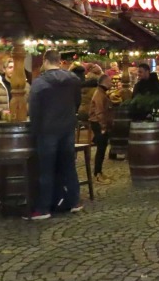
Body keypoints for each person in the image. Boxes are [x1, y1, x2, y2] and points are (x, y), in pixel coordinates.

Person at [28, 50, 83, 220]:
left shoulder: (39, 83)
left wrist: (34, 130)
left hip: (47, 130)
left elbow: (34, 109)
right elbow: (77, 101)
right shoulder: (73, 79)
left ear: (45, 61)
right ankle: (74, 201)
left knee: (46, 169)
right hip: (67, 127)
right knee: (68, 166)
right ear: (59, 61)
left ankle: (44, 208)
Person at [88, 74, 114, 184]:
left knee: (102, 149)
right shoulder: (99, 94)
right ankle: (97, 174)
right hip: (98, 123)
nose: (111, 83)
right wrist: (103, 127)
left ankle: (99, 172)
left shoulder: (102, 92)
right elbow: (99, 112)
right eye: (109, 81)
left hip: (100, 123)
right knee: (100, 149)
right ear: (104, 82)